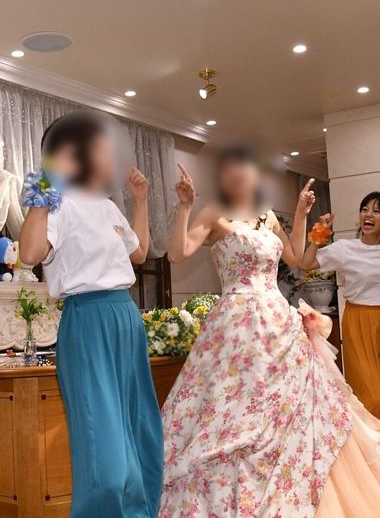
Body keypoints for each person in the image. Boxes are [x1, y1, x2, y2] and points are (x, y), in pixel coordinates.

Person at [161, 147, 380, 517]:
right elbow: (177, 254)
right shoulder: (213, 212)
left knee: (295, 403)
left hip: (278, 321)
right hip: (235, 325)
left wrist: (301, 214)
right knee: (233, 407)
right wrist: (184, 207)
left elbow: (294, 257)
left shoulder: (266, 214)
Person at [19, 111, 163, 518]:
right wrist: (45, 186)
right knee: (105, 449)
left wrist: (140, 201)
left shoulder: (107, 206)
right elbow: (29, 253)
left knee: (140, 430)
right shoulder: (57, 203)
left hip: (125, 318)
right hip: (87, 321)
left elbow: (139, 253)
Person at [301, 192, 380, 417]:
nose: (368, 214)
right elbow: (306, 263)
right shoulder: (345, 249)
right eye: (364, 209)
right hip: (358, 321)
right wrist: (319, 232)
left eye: (376, 211)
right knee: (370, 395)